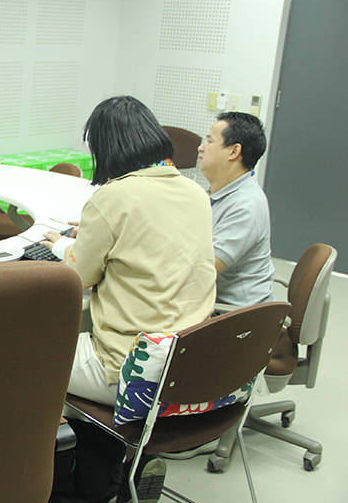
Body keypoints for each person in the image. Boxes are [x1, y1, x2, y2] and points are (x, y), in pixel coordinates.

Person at [42, 96, 217, 503]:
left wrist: (63, 246)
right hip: (190, 362)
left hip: (130, 368)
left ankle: (62, 479)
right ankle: (118, 471)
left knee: (25, 357)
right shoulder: (194, 192)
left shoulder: (113, 198)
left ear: (105, 148)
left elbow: (76, 278)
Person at [198, 112, 274, 306]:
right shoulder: (220, 192)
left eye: (209, 141)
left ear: (233, 151)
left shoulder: (246, 205)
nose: (201, 147)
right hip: (214, 301)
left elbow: (203, 271)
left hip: (236, 316)